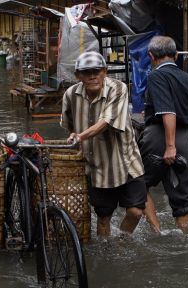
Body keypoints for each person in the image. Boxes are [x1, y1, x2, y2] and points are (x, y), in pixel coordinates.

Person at [61, 51, 146, 237]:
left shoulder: (118, 88)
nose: (93, 76)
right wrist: (75, 136)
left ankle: (123, 241)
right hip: (97, 166)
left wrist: (80, 136)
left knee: (135, 211)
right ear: (78, 75)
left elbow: (106, 123)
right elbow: (70, 126)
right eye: (87, 72)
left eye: (97, 71)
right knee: (103, 217)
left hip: (126, 161)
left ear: (105, 71)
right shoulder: (70, 95)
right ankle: (107, 251)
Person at [140, 36, 188, 231]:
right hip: (185, 140)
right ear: (176, 55)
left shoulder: (156, 76)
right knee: (183, 203)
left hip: (160, 138)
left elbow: (168, 111)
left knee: (139, 186)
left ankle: (157, 233)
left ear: (151, 56)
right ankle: (186, 241)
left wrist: (170, 146)